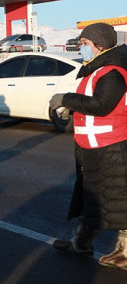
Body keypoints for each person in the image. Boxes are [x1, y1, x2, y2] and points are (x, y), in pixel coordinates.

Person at [49, 22, 127, 269]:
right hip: (91, 146)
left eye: (84, 44)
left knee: (117, 200)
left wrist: (66, 99)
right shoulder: (97, 69)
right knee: (90, 198)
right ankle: (81, 243)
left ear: (99, 45)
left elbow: (103, 105)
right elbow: (91, 105)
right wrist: (71, 110)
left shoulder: (112, 72)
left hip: (110, 146)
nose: (80, 48)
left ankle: (124, 252)